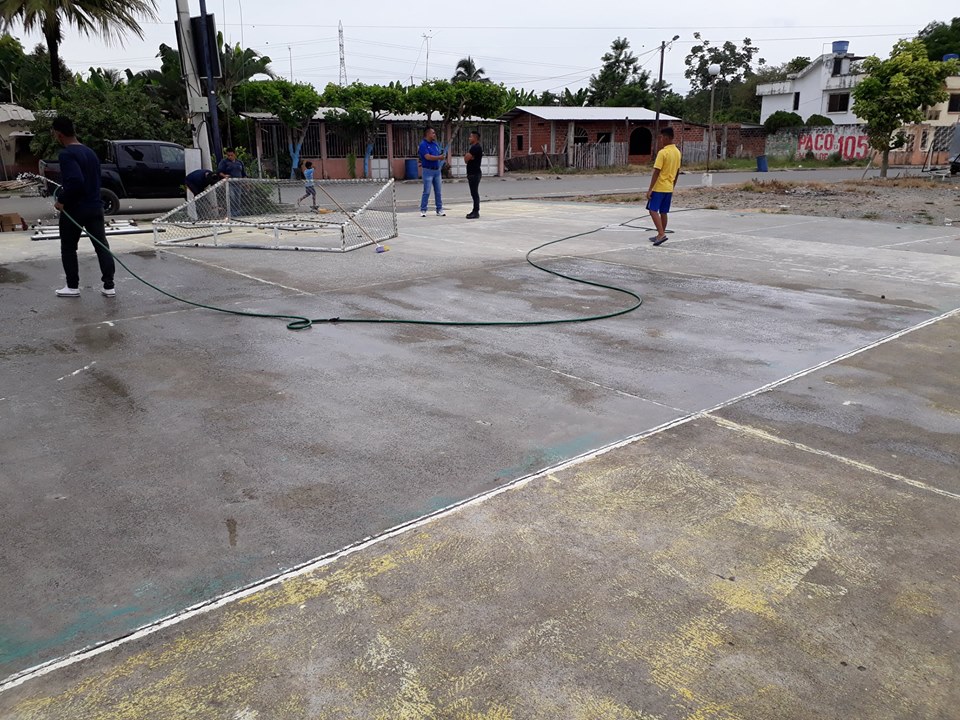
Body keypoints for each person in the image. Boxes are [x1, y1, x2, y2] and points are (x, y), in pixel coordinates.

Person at [51, 116, 116, 298]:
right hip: (95, 206)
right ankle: (109, 286)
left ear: (59, 134)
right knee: (101, 246)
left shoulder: (66, 154)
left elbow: (75, 182)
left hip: (75, 209)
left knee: (69, 248)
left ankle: (72, 287)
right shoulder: (90, 152)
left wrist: (61, 200)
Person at [647, 126, 682, 246]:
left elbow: (656, 171)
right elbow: (677, 171)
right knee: (663, 212)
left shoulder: (663, 153)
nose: (660, 140)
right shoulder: (677, 152)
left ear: (666, 138)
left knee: (652, 210)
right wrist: (673, 185)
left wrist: (650, 189)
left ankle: (661, 234)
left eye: (661, 137)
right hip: (669, 187)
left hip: (659, 186)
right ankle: (660, 234)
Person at [418, 127, 445, 217]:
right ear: (428, 134)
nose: (434, 135)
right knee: (427, 191)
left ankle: (439, 209)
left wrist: (441, 157)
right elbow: (427, 157)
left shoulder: (435, 144)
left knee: (438, 191)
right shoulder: (423, 144)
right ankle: (423, 209)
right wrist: (439, 157)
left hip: (437, 171)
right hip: (428, 170)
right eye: (433, 133)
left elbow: (438, 154)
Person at [217, 148, 246, 217]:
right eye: (228, 155)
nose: (230, 157)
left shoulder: (239, 162)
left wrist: (245, 182)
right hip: (229, 184)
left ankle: (237, 213)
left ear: (235, 154)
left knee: (238, 198)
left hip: (238, 184)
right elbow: (219, 172)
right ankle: (231, 213)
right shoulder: (224, 162)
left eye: (231, 155)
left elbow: (243, 173)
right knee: (231, 197)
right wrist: (225, 176)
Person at [464, 130, 483, 219]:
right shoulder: (473, 147)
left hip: (474, 173)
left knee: (474, 193)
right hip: (472, 173)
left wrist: (468, 157)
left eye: (471, 137)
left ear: (475, 138)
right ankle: (475, 210)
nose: (469, 138)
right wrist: (468, 157)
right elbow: (467, 159)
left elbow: (466, 158)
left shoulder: (475, 148)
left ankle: (476, 211)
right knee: (473, 193)